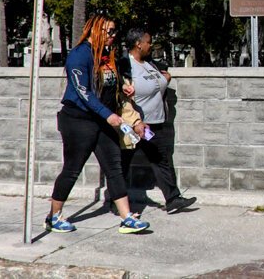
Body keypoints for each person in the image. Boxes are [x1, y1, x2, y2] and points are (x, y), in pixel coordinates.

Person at [44, 15, 151, 235]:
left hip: (103, 121)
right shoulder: (79, 55)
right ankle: (54, 216)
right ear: (94, 30)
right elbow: (84, 92)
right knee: (72, 169)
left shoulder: (108, 55)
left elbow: (108, 85)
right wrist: (107, 114)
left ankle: (126, 218)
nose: (112, 36)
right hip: (78, 120)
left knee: (114, 167)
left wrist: (124, 88)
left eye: (114, 31)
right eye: (108, 31)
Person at [116, 28, 197, 213]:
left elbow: (160, 78)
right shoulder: (124, 65)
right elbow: (119, 91)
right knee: (124, 163)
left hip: (155, 123)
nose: (150, 45)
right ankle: (117, 200)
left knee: (160, 159)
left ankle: (173, 199)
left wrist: (165, 77)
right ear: (138, 44)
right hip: (135, 124)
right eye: (148, 42)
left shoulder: (150, 63)